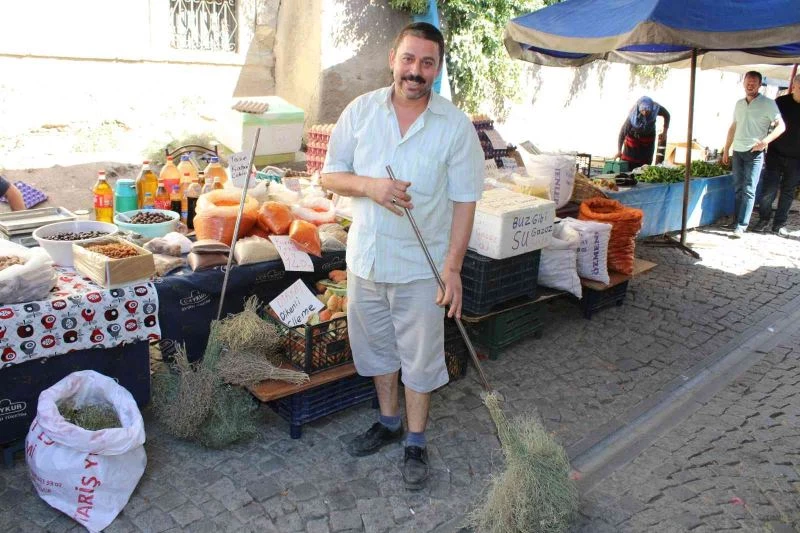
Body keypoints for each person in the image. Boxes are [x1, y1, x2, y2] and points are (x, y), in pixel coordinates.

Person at [320, 22, 484, 490]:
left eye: (427, 63)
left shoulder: (454, 127)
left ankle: (415, 438)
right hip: (367, 260)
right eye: (409, 59)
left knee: (419, 359)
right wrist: (370, 186)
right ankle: (388, 422)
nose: (416, 71)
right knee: (377, 352)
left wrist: (452, 269)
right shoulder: (360, 112)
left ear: (437, 68)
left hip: (421, 267)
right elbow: (330, 176)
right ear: (393, 57)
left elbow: (465, 200)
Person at [722, 71, 785, 238]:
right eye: (748, 82)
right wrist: (726, 147)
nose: (750, 85)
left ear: (759, 85)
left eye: (754, 83)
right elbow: (734, 126)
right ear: (744, 83)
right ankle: (736, 221)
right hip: (738, 150)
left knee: (749, 190)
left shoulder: (768, 103)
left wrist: (766, 141)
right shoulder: (739, 103)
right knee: (737, 188)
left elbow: (781, 126)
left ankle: (742, 226)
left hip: (755, 152)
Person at [752, 74, 800, 236]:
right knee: (768, 191)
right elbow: (768, 122)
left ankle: (779, 224)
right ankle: (764, 219)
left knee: (788, 192)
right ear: (794, 87)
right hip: (776, 154)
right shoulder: (781, 103)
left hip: (796, 159)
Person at [615, 96, 670, 170]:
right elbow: (622, 133)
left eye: (647, 111)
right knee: (629, 164)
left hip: (648, 140)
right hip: (633, 140)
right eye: (642, 110)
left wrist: (665, 132)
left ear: (651, 108)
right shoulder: (632, 115)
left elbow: (667, 115)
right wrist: (619, 150)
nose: (644, 113)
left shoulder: (656, 108)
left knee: (645, 165)